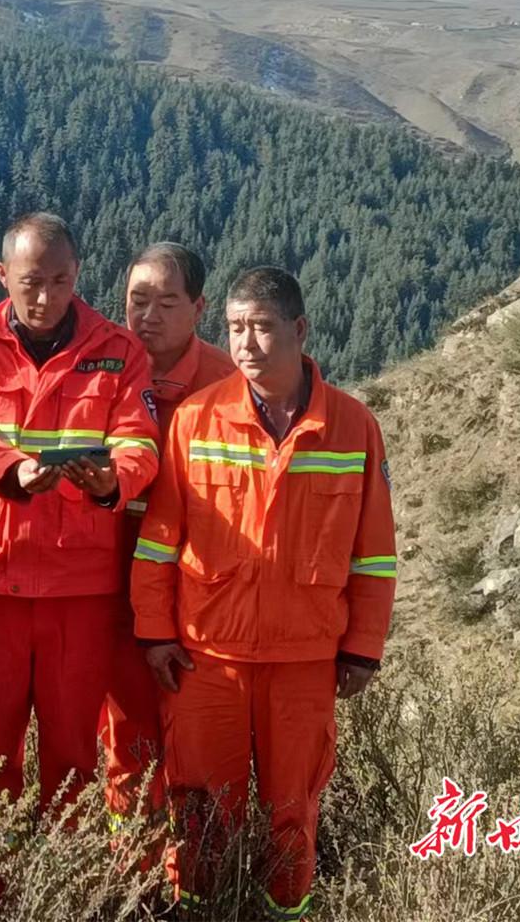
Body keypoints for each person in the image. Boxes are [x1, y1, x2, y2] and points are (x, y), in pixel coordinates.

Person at [131, 266, 396, 919]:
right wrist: (155, 632)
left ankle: (286, 911)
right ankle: (199, 912)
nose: (246, 344)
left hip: (304, 660)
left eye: (263, 327)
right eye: (235, 328)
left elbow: (374, 553)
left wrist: (363, 647)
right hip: (207, 658)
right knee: (199, 812)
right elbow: (159, 540)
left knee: (292, 814)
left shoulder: (353, 426)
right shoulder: (196, 420)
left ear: (299, 329)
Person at [0, 213, 160, 852]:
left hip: (79, 586)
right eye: (31, 282)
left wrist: (113, 480)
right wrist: (14, 471)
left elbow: (140, 442)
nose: (45, 297)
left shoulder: (119, 350)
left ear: (78, 274)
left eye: (60, 281)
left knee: (72, 749)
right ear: (2, 275)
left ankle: (63, 879)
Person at [101, 242, 232, 824]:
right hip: (108, 581)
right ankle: (130, 857)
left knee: (195, 741)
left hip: (199, 590)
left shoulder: (227, 384)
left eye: (167, 303)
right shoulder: (101, 369)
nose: (148, 316)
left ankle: (195, 861)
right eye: (138, 300)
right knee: (126, 735)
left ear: (199, 307)